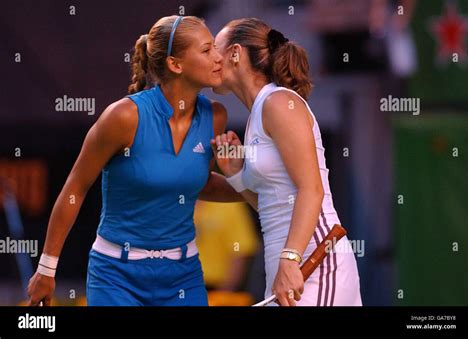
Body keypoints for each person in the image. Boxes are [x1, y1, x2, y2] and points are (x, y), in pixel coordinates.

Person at [26, 15, 242, 306]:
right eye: (206, 51)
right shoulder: (123, 117)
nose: (219, 58)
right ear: (175, 64)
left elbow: (198, 185)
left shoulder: (216, 117)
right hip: (115, 277)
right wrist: (46, 269)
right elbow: (75, 188)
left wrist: (256, 187)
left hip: (183, 275)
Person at [211, 18, 362, 306]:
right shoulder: (259, 112)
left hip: (316, 265)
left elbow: (312, 189)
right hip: (289, 268)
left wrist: (291, 259)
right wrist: (236, 176)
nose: (210, 60)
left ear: (235, 53)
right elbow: (274, 206)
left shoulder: (279, 102)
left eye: (214, 48)